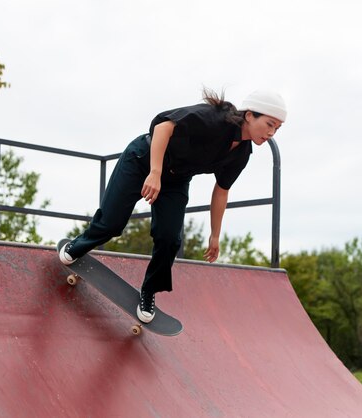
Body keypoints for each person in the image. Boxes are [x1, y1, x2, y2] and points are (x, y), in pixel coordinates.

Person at [58, 87, 287, 323]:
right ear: (250, 115)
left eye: (277, 128)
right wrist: (154, 172)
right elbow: (163, 127)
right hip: (142, 160)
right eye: (269, 124)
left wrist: (215, 234)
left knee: (170, 239)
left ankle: (149, 292)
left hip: (175, 180)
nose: (272, 133)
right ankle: (79, 245)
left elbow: (221, 191)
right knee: (112, 224)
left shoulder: (241, 154)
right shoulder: (215, 118)